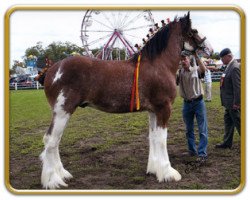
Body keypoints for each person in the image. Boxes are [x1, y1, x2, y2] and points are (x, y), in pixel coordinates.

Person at [176, 51, 208, 161]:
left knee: (202, 129)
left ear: (189, 60)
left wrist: (197, 56)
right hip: (186, 104)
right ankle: (192, 150)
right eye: (181, 59)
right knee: (188, 129)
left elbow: (203, 69)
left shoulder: (196, 70)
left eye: (185, 59)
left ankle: (202, 153)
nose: (183, 61)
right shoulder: (179, 73)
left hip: (198, 102)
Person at [215, 48, 241, 149]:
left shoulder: (234, 67)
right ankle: (227, 142)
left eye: (222, 58)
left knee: (239, 123)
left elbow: (238, 87)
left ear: (229, 56)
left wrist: (237, 102)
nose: (221, 60)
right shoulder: (228, 66)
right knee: (228, 121)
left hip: (233, 102)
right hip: (228, 102)